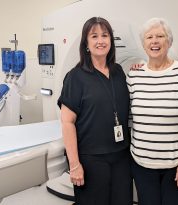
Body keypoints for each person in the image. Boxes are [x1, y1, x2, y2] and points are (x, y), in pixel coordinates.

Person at [58, 17, 132, 205]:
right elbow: (67, 122)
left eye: (105, 35)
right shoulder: (76, 77)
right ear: (86, 44)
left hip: (122, 156)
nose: (101, 41)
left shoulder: (118, 72)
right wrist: (74, 165)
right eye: (94, 36)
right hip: (91, 160)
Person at [127, 17, 178, 205]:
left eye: (160, 36)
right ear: (143, 44)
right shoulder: (134, 75)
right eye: (149, 37)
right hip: (141, 164)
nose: (154, 41)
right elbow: (128, 118)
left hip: (176, 165)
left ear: (169, 41)